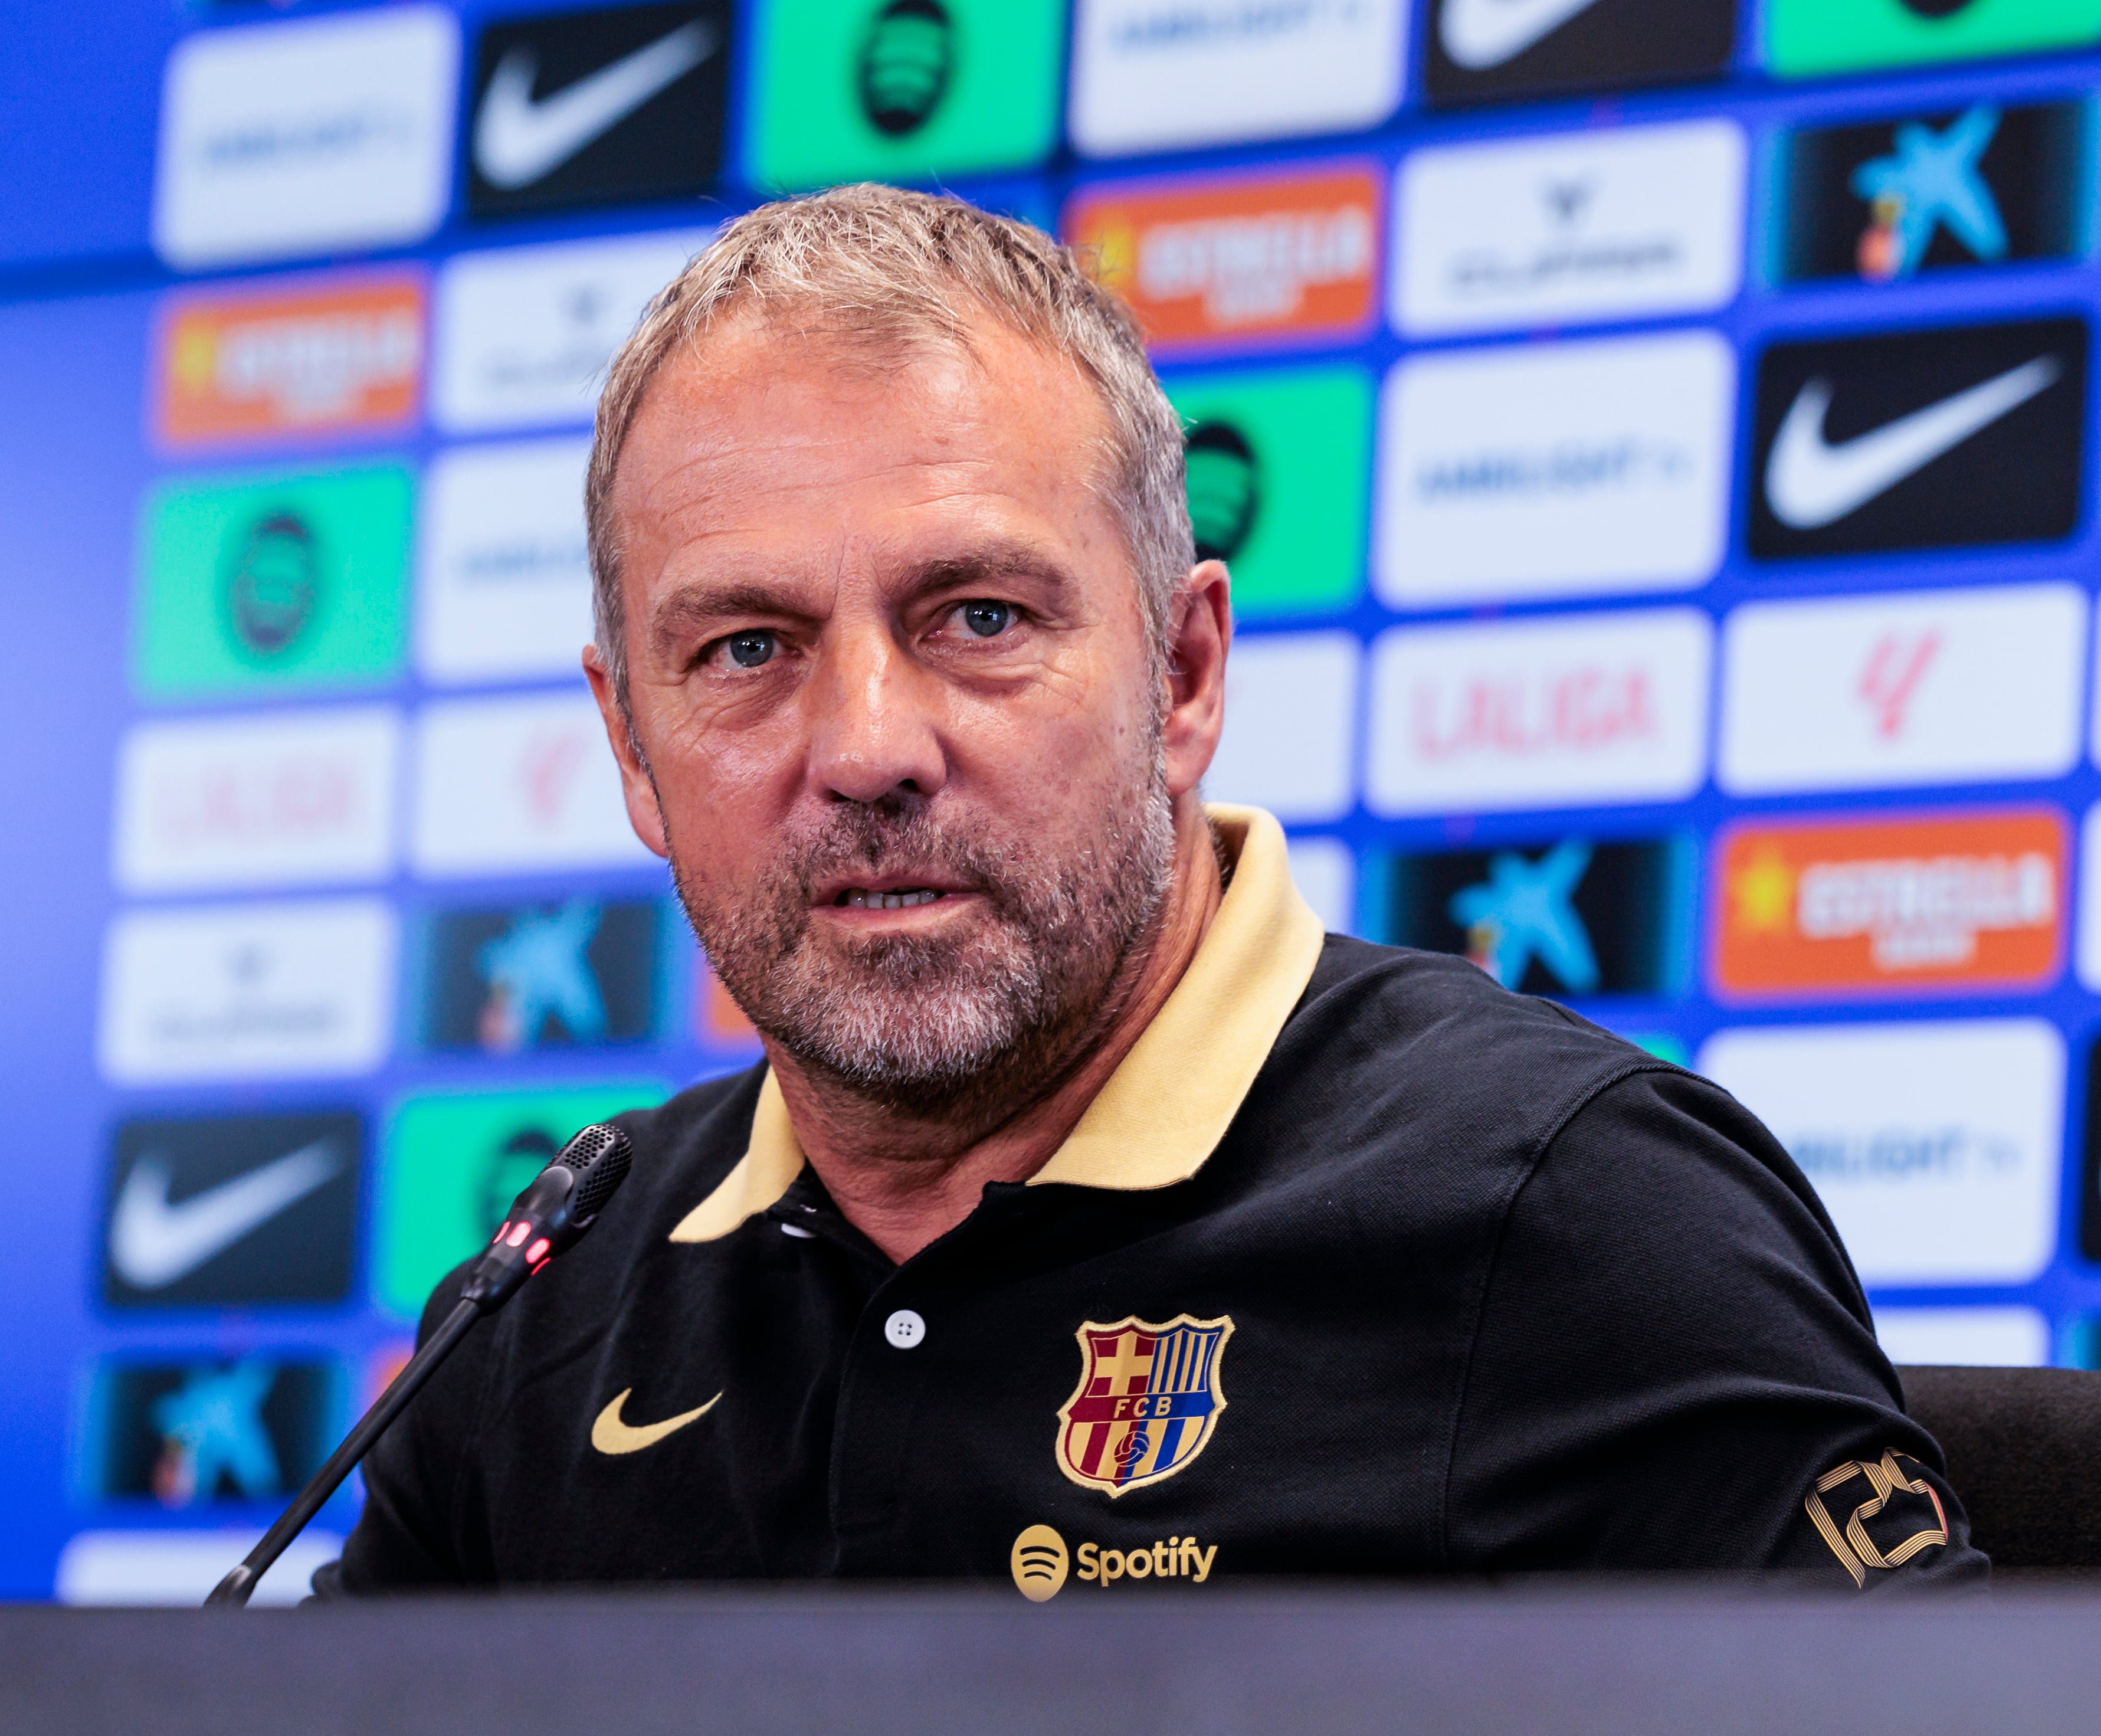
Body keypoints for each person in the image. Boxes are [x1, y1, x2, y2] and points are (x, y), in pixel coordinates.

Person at [322, 185, 1986, 1596]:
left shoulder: (1567, 1214)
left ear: (1183, 676)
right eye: (747, 649)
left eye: (977, 617)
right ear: (630, 742)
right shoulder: (555, 1296)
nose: (869, 747)